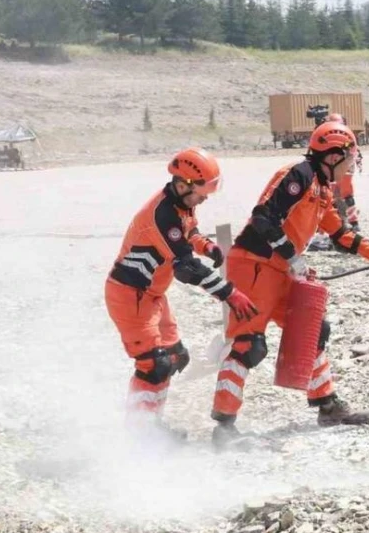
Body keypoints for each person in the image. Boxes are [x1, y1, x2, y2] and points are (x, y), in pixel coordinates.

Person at [210, 121, 369, 445]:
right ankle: (224, 427)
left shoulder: (322, 189)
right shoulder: (299, 175)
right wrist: (293, 257)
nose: (350, 166)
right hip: (254, 267)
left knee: (314, 329)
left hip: (281, 270)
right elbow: (263, 218)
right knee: (249, 345)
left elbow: (340, 235)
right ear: (332, 156)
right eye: (348, 158)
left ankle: (326, 406)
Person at [105, 147, 259, 440]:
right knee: (154, 363)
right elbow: (186, 268)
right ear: (184, 183)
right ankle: (139, 433)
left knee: (175, 357)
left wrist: (207, 246)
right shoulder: (161, 216)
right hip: (130, 296)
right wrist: (229, 294)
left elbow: (189, 233)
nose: (205, 198)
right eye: (202, 192)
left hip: (152, 296)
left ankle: (149, 423)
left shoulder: (181, 205)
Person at [326, 113, 363, 231]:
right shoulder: (327, 136)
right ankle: (342, 222)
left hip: (345, 167)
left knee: (346, 194)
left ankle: (353, 222)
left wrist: (357, 161)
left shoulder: (346, 136)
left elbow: (353, 148)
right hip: (333, 167)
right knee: (335, 195)